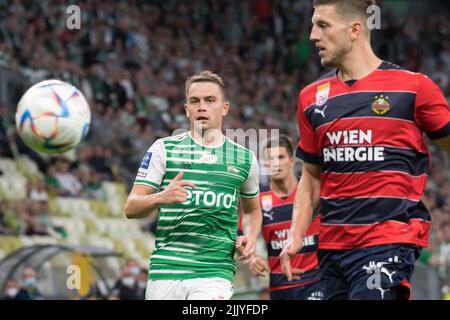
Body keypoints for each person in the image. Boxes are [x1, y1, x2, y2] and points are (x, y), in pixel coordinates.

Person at [281, 0, 450, 300]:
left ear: (355, 29)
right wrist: (295, 236)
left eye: (322, 25)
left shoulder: (413, 88)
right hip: (331, 250)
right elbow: (311, 178)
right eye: (312, 25)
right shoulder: (310, 98)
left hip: (387, 242)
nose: (312, 36)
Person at [124, 70, 262, 300]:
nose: (201, 107)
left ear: (224, 108)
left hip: (214, 273)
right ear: (186, 108)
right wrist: (160, 197)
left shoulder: (245, 159)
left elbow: (253, 209)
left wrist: (250, 235)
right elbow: (131, 208)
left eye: (210, 100)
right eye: (194, 101)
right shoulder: (163, 149)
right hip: (166, 270)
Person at [248, 135, 323, 300]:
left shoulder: (311, 193)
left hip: (316, 280)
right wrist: (251, 258)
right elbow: (242, 235)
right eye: (270, 159)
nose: (275, 163)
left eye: (280, 157)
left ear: (291, 160)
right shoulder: (258, 199)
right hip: (279, 286)